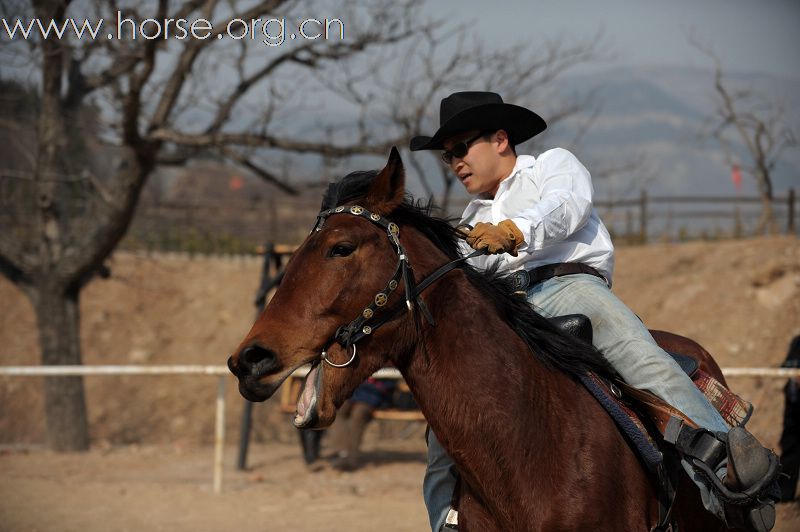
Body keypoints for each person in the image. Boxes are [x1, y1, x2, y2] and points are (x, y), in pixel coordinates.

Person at [409, 91, 778, 532]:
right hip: (504, 313)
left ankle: (725, 467)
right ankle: (444, 523)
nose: (455, 163)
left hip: (567, 287)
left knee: (640, 357)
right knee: (445, 426)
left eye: (461, 148)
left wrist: (513, 231)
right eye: (448, 157)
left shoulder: (553, 166)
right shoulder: (470, 218)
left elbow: (565, 206)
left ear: (501, 138)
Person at [779, 336, 800, 501]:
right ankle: (784, 494)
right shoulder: (797, 341)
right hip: (794, 403)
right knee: (790, 447)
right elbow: (786, 365)